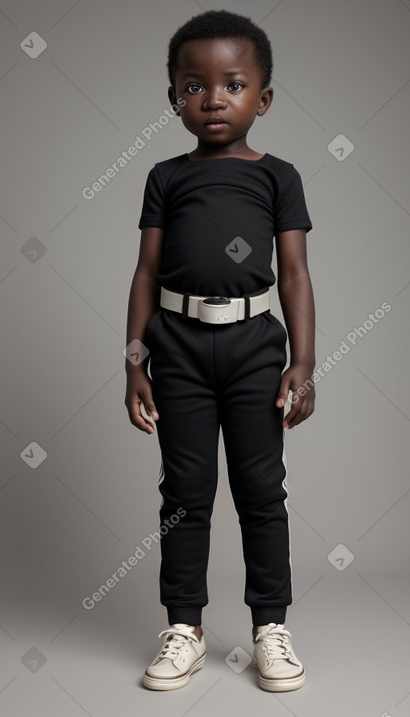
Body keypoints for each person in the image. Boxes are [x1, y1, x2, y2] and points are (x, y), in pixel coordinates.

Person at [124, 8, 316, 693]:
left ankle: (270, 625)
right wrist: (135, 361)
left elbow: (293, 273)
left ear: (261, 97)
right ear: (174, 96)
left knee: (262, 492)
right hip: (174, 350)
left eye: (232, 84)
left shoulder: (278, 177)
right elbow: (146, 272)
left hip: (255, 350)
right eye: (194, 85)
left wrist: (304, 362)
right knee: (184, 493)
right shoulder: (164, 177)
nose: (213, 98)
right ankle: (186, 627)